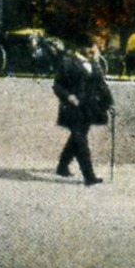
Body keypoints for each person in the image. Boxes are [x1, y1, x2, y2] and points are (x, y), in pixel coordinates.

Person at [52, 37, 115, 186]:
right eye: (92, 48)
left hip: (89, 109)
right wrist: (69, 96)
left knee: (76, 139)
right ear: (82, 48)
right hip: (73, 109)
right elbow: (57, 85)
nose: (95, 51)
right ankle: (89, 176)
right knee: (81, 142)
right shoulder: (68, 62)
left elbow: (102, 86)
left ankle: (62, 166)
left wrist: (109, 103)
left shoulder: (94, 64)